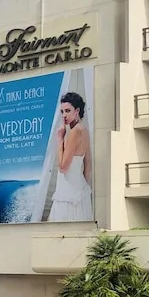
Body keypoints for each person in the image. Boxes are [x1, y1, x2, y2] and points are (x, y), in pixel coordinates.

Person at [49, 91, 93, 222]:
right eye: (62, 112)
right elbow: (88, 164)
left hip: (67, 192)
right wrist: (81, 188)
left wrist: (60, 139)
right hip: (79, 191)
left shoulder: (75, 132)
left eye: (68, 111)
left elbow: (63, 167)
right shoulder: (84, 130)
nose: (64, 115)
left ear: (77, 110)